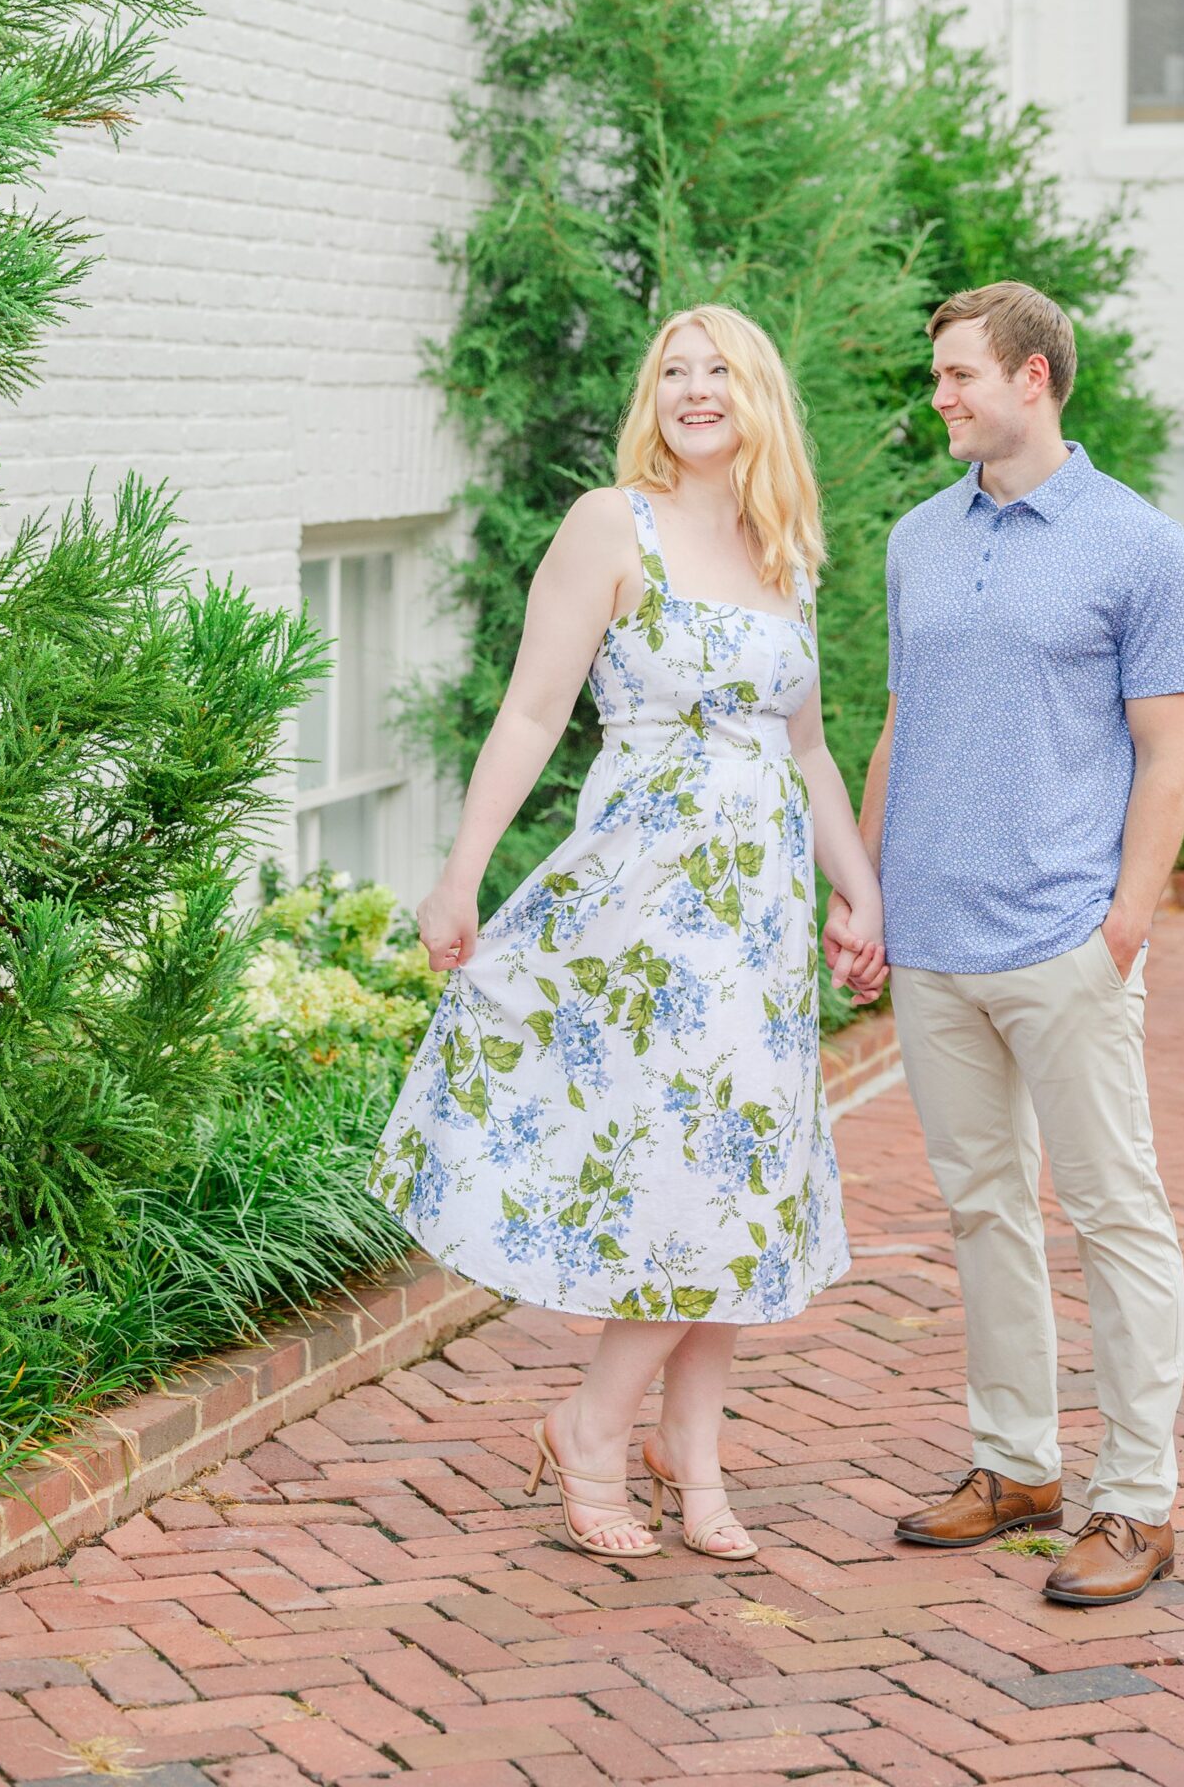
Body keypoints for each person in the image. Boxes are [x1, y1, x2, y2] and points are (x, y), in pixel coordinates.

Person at [370, 303, 885, 1561]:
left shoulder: (786, 550)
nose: (694, 388)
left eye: (718, 370)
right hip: (642, 913)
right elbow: (532, 712)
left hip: (753, 928)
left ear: (759, 395)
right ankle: (595, 1428)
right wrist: (460, 876)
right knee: (685, 1171)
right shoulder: (614, 523)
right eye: (672, 370)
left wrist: (857, 885)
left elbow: (806, 746)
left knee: (739, 1183)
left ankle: (689, 1454)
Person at [831, 282, 1184, 1606]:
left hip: (1062, 937)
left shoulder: (1137, 547)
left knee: (1112, 1216)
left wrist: (1124, 926)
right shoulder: (915, 540)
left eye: (956, 376)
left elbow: (1167, 750)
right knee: (979, 1208)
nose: (938, 396)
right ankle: (1014, 1464)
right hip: (932, 938)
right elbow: (898, 722)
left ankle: (1136, 1502)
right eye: (936, 376)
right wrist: (866, 895)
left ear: (1033, 379)